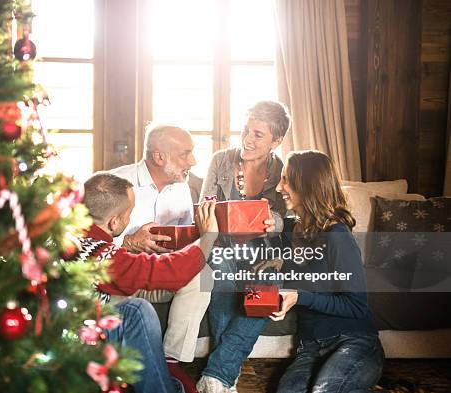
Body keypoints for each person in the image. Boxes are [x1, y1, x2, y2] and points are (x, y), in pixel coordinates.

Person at [78, 173, 219, 393]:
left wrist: (129, 247)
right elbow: (167, 272)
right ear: (113, 221)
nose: (129, 220)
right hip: (83, 332)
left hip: (103, 298)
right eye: (129, 214)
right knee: (137, 310)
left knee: (201, 275)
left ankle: (170, 361)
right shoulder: (99, 256)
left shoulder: (70, 236)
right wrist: (208, 237)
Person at [265, 150, 383, 393]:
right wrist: (277, 264)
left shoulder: (337, 235)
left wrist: (300, 296)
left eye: (286, 179)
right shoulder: (292, 230)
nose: (279, 187)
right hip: (310, 347)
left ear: (307, 184)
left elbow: (356, 305)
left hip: (354, 341)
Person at [197, 101, 291, 393]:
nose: (248, 139)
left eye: (258, 134)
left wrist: (271, 221)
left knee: (267, 285)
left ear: (276, 141)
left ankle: (217, 375)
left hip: (262, 250)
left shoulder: (282, 170)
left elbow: (287, 218)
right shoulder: (221, 160)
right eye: (246, 130)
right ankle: (224, 376)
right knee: (223, 272)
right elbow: (204, 208)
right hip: (222, 245)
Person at [109, 123, 209, 386]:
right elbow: (91, 241)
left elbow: (185, 244)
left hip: (164, 275)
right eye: (185, 154)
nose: (193, 161)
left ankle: (172, 359)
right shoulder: (117, 183)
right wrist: (129, 241)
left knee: (205, 276)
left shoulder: (182, 188)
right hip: (125, 276)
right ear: (159, 157)